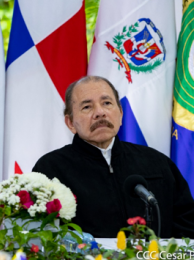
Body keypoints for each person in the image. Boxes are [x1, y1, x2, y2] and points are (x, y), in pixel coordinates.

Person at [33, 75, 194, 238]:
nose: (100, 113)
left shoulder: (156, 162)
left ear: (121, 113)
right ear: (70, 123)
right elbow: (41, 234)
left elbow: (187, 223)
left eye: (107, 103)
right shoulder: (50, 168)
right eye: (87, 107)